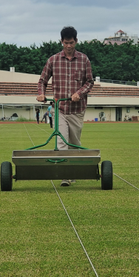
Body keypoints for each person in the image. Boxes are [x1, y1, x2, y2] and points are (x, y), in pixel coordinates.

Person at [37, 26, 94, 186]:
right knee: (61, 141)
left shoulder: (84, 60)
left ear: (76, 41)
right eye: (66, 43)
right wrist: (41, 93)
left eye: (71, 43)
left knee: (74, 142)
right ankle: (65, 176)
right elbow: (42, 80)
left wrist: (79, 93)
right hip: (59, 108)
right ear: (61, 42)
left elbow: (89, 82)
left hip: (76, 110)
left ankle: (73, 171)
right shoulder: (53, 60)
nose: (68, 46)